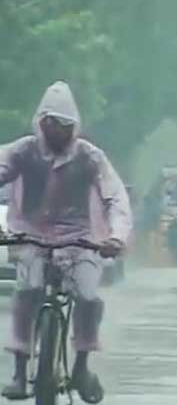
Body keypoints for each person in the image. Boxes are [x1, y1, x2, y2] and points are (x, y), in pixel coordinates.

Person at [0, 81, 131, 403]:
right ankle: (19, 370)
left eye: (63, 125)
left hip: (81, 239)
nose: (56, 131)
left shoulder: (90, 157)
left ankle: (82, 366)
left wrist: (115, 237)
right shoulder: (21, 151)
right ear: (41, 122)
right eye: (50, 124)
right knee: (27, 292)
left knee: (87, 297)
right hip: (30, 234)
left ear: (73, 126)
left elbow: (115, 198)